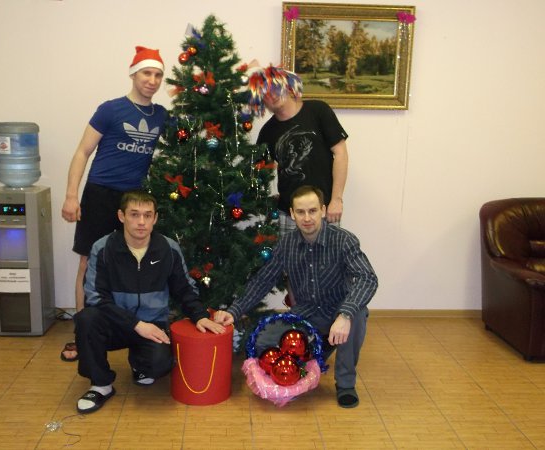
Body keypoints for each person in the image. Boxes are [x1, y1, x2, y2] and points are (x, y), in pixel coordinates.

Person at [214, 185, 377, 408]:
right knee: (263, 342)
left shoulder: (344, 240)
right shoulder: (287, 244)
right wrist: (234, 311)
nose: (307, 218)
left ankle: (345, 383)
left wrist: (345, 314)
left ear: (322, 210)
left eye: (312, 211)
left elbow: (368, 278)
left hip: (338, 309)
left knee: (357, 315)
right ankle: (321, 347)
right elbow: (263, 280)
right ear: (292, 214)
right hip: (305, 313)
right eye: (300, 212)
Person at [60, 46, 168, 362]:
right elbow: (82, 152)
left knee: (129, 264)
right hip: (100, 194)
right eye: (147, 73)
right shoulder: (110, 109)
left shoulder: (162, 115)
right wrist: (71, 195)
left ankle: (127, 330)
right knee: (88, 262)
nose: (152, 80)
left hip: (135, 200)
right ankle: (82, 334)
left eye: (158, 75)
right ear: (133, 74)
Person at [74, 190, 226, 414]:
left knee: (159, 365)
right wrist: (136, 324)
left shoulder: (168, 248)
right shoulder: (103, 248)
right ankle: (101, 385)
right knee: (86, 319)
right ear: (121, 216)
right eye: (134, 214)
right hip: (115, 322)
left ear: (155, 218)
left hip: (153, 324)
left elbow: (184, 288)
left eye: (147, 215)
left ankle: (140, 363)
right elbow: (96, 298)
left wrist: (200, 316)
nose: (141, 222)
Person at [248, 65, 349, 234]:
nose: (272, 95)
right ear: (261, 101)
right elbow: (259, 172)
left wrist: (337, 200)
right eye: (265, 94)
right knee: (289, 253)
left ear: (288, 86)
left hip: (324, 211)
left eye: (275, 88)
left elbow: (341, 153)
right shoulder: (267, 132)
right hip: (289, 215)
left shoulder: (318, 111)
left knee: (329, 252)